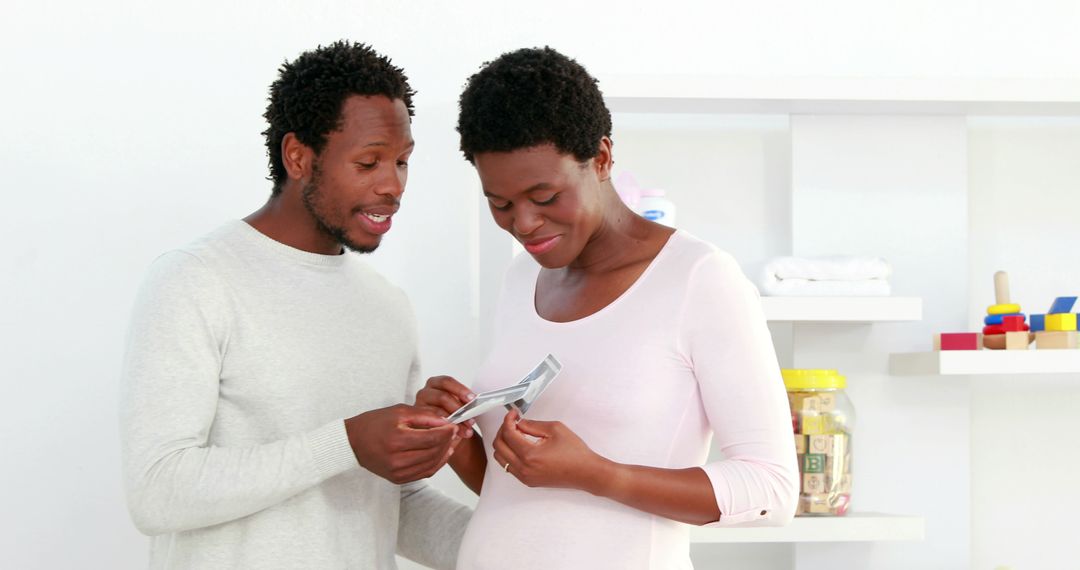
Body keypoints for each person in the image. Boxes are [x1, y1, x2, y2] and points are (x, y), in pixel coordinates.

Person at [415, 47, 799, 569]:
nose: (523, 223)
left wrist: (599, 472)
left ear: (601, 158)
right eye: (500, 203)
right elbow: (525, 498)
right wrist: (458, 439)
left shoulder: (698, 279)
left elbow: (772, 490)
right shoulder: (521, 276)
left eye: (544, 196)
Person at [119, 41, 470, 569]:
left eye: (402, 162)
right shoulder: (196, 280)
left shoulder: (387, 306)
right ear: (298, 157)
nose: (392, 186)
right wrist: (346, 442)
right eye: (369, 162)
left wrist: (529, 543)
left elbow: (387, 504)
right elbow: (157, 489)